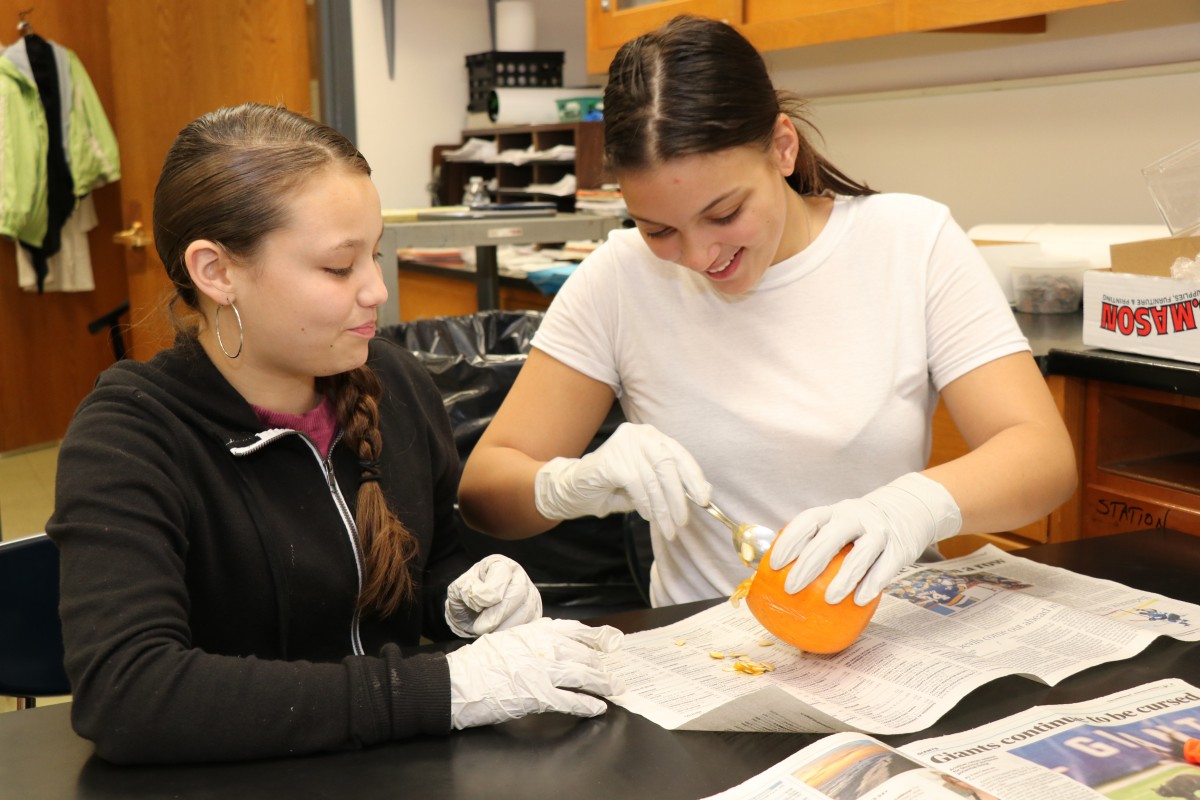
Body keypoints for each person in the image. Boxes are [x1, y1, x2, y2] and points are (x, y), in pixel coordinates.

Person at [46, 103, 621, 765]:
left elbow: (431, 563)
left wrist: (459, 596)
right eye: (339, 268)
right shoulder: (131, 435)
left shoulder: (395, 386)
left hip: (395, 766)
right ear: (216, 272)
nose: (377, 289)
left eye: (373, 256)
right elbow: (130, 694)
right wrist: (443, 687)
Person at [457, 15, 1077, 610]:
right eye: (658, 229)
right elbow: (485, 494)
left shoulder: (911, 242)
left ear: (783, 148)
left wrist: (911, 506)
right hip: (704, 645)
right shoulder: (619, 279)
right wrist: (569, 486)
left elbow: (1042, 456)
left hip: (889, 631)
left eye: (724, 214)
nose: (699, 256)